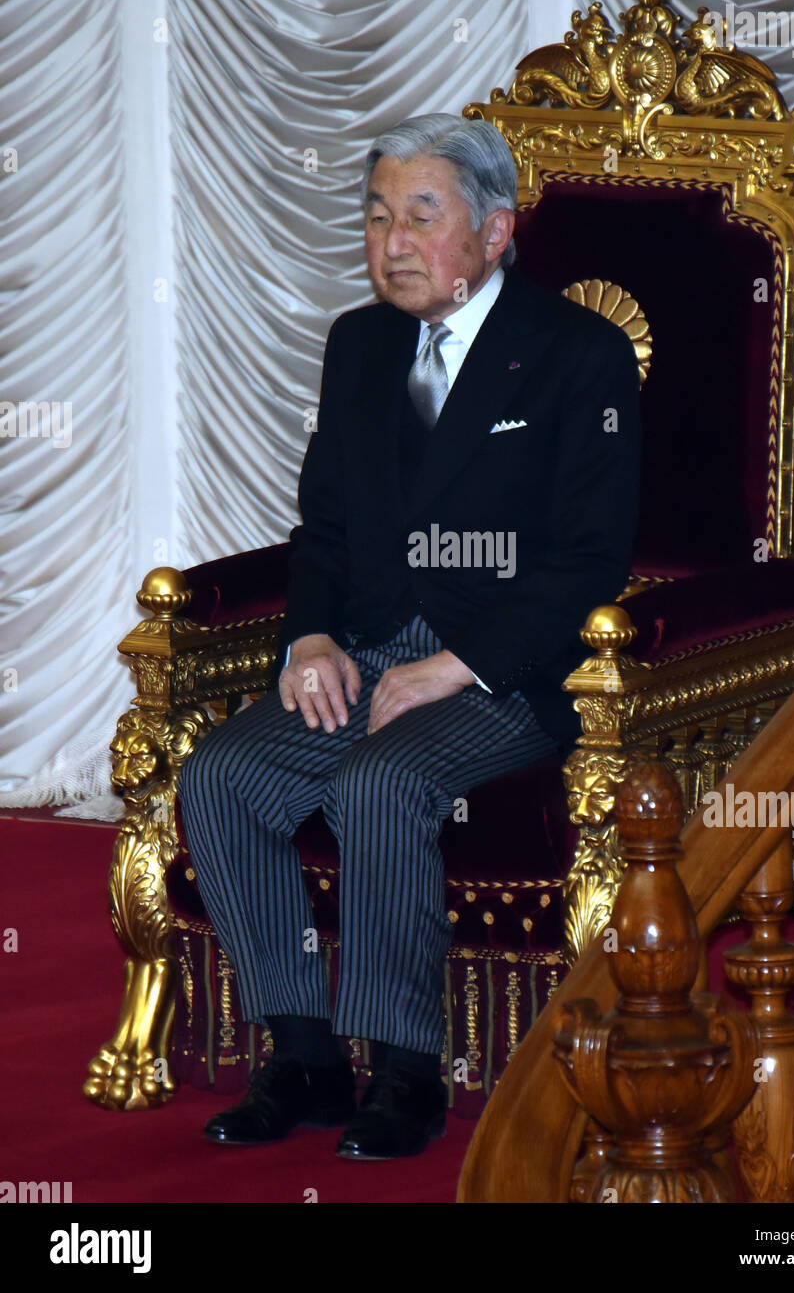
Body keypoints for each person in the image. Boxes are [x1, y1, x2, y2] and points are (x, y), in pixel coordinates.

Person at [177, 112, 640, 1160]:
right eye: (378, 215)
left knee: (378, 781)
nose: (391, 241)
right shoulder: (360, 343)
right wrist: (311, 640)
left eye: (420, 216)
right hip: (373, 645)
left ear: (494, 230)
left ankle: (405, 1069)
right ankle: (303, 1054)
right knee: (220, 775)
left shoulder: (578, 356)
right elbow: (326, 530)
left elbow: (588, 561)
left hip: (506, 670)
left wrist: (456, 667)